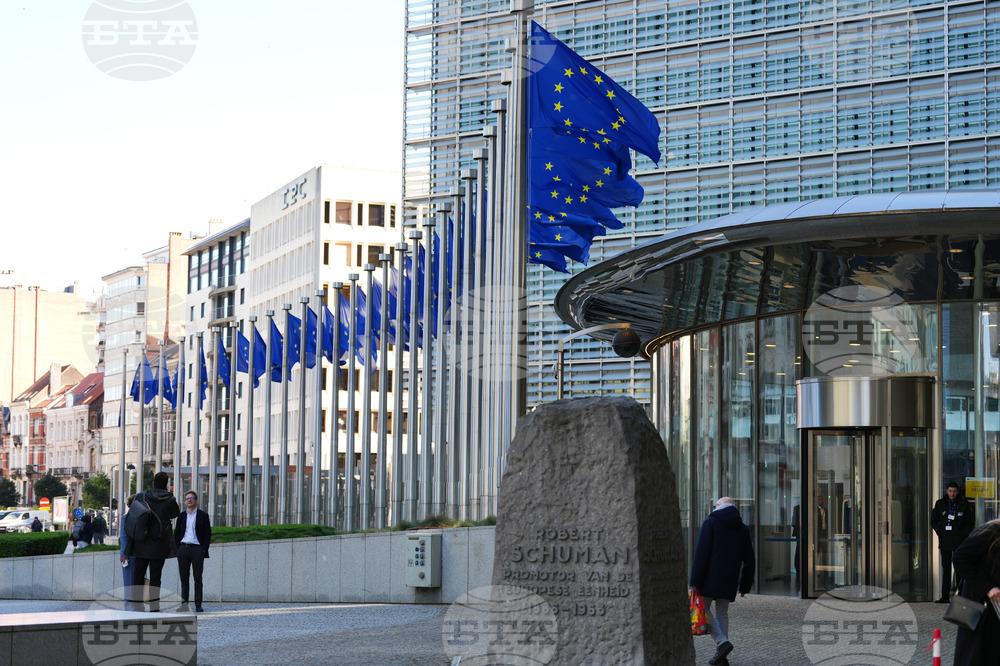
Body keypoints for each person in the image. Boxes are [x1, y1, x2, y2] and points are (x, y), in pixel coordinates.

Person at [690, 497, 756, 666]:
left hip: (708, 579)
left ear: (718, 506)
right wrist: (744, 585)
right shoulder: (742, 529)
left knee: (703, 608)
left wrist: (694, 581)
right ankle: (722, 657)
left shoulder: (711, 522)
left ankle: (722, 642)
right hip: (729, 579)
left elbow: (701, 554)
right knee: (722, 614)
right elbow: (750, 559)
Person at [125, 472, 180, 612]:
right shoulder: (170, 499)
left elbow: (133, 514)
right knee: (156, 576)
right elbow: (175, 514)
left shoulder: (141, 496)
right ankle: (155, 607)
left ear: (153, 483)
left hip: (141, 542)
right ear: (166, 485)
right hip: (159, 544)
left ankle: (137, 605)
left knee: (138, 575)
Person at [951, 519, 1000, 664]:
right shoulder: (991, 531)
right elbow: (959, 558)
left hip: (995, 608)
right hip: (978, 605)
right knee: (974, 655)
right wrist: (988, 587)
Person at [931, 482, 975, 603]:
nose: (952, 493)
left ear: (958, 492)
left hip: (959, 542)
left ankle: (960, 597)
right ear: (947, 491)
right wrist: (940, 532)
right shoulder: (940, 504)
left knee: (959, 570)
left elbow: (970, 522)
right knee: (946, 570)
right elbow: (933, 520)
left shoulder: (964, 504)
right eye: (950, 491)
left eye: (954, 491)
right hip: (945, 541)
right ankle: (945, 597)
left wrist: (962, 534)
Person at [174, 490, 212, 613]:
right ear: (185, 502)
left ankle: (198, 605)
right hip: (183, 549)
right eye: (187, 498)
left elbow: (207, 534)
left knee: (198, 578)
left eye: (191, 498)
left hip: (197, 549)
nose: (189, 500)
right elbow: (177, 534)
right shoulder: (181, 516)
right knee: (184, 579)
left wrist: (203, 549)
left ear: (196, 500)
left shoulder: (203, 515)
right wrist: (177, 548)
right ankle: (184, 605)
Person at [118, 495, 138, 611]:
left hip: (141, 554)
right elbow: (123, 537)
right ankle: (129, 607)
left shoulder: (144, 517)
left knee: (139, 581)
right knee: (129, 582)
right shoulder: (125, 518)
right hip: (129, 554)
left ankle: (137, 605)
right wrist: (123, 554)